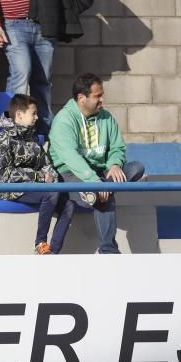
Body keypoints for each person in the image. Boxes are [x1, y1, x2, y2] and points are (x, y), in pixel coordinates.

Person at [49, 73, 145, 255]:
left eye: (102, 95)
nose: (103, 100)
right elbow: (71, 158)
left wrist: (115, 165)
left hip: (101, 172)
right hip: (70, 174)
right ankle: (108, 250)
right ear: (81, 98)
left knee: (136, 168)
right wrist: (95, 181)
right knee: (104, 196)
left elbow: (117, 147)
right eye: (97, 96)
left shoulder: (106, 117)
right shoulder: (63, 121)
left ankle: (94, 192)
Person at [0, 94, 74, 255]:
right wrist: (39, 177)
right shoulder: (3, 139)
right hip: (10, 189)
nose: (37, 117)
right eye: (33, 113)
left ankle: (52, 252)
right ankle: (40, 243)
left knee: (68, 205)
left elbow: (45, 164)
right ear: (20, 115)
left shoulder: (33, 138)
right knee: (52, 193)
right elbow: (2, 175)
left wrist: (51, 177)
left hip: (35, 188)